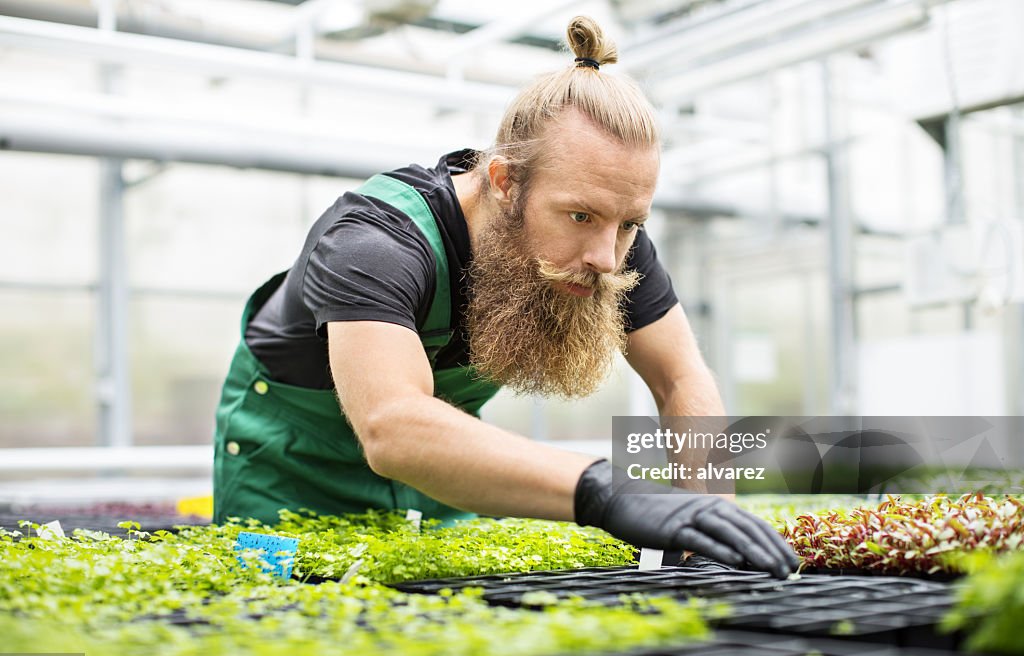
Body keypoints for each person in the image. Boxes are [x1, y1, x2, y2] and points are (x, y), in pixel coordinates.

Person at [213, 16, 799, 578]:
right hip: (288, 478)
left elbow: (680, 379)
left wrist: (711, 521)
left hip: (438, 481)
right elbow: (392, 424)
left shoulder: (607, 239)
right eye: (579, 215)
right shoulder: (375, 244)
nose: (606, 257)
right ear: (504, 182)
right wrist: (604, 489)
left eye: (629, 224)